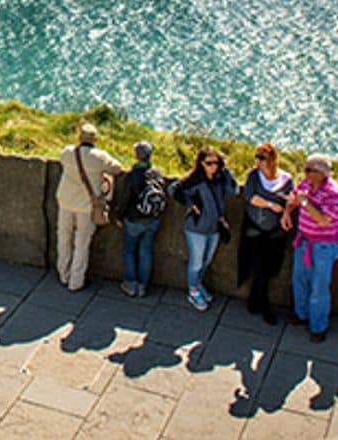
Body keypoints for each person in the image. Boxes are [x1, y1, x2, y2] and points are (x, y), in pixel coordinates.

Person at [282, 153, 338, 343]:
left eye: (310, 170)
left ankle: (318, 325)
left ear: (322, 173)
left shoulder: (333, 193)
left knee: (319, 287)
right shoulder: (306, 184)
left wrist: (306, 203)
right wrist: (287, 212)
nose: (305, 173)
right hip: (305, 240)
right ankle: (301, 314)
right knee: (299, 279)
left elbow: (324, 220)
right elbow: (294, 197)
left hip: (324, 245)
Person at [55, 123, 123, 293]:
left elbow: (62, 160)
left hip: (65, 201)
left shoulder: (68, 152)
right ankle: (75, 281)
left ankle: (63, 273)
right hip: (86, 207)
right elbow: (117, 168)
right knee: (82, 243)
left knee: (63, 237)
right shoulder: (99, 157)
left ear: (79, 138)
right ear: (96, 140)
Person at [171, 147, 239, 311]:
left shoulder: (220, 179)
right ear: (201, 163)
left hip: (214, 227)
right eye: (209, 163)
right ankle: (193, 291)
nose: (213, 166)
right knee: (196, 262)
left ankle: (197, 284)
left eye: (216, 163)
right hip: (196, 228)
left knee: (206, 260)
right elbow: (173, 189)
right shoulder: (195, 180)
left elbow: (234, 190)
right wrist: (191, 204)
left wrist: (227, 171)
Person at [238, 143, 294, 324]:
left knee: (271, 268)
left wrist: (285, 213)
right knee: (259, 268)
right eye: (257, 157)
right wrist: (270, 205)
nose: (258, 161)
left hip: (276, 232)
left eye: (262, 158)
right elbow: (250, 197)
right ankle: (264, 306)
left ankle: (254, 301)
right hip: (255, 229)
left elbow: (289, 201)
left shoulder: (286, 179)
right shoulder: (254, 176)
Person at [115, 140, 167, 298]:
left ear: (136, 155)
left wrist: (118, 216)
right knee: (146, 252)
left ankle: (131, 284)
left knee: (129, 251)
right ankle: (143, 286)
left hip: (134, 219)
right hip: (153, 219)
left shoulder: (133, 175)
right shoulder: (157, 172)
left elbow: (125, 198)